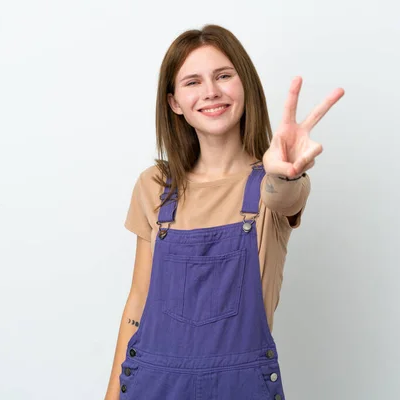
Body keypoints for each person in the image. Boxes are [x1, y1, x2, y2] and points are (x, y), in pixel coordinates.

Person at [104, 24, 344, 400]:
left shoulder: (271, 185)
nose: (211, 91)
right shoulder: (155, 186)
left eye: (223, 76)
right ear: (174, 103)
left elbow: (285, 195)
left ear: (244, 84)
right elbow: (137, 300)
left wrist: (284, 173)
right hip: (152, 387)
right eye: (192, 82)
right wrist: (112, 395)